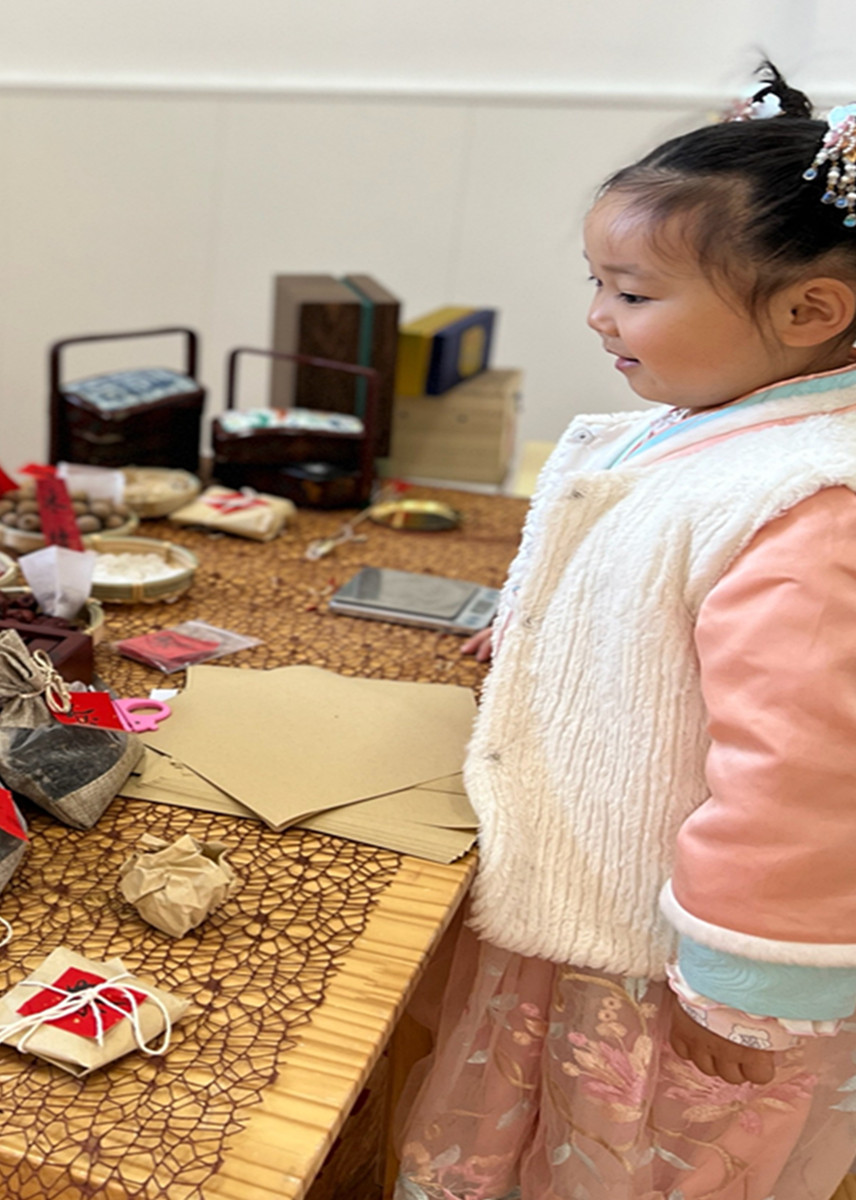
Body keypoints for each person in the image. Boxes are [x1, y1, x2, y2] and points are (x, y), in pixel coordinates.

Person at [397, 66, 856, 1200]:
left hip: (666, 969)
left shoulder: (808, 512)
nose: (598, 316)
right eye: (595, 282)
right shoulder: (698, 428)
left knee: (622, 1161)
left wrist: (748, 996)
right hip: (588, 908)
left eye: (633, 293)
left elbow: (802, 785)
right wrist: (546, 629)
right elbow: (629, 576)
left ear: (807, 313)